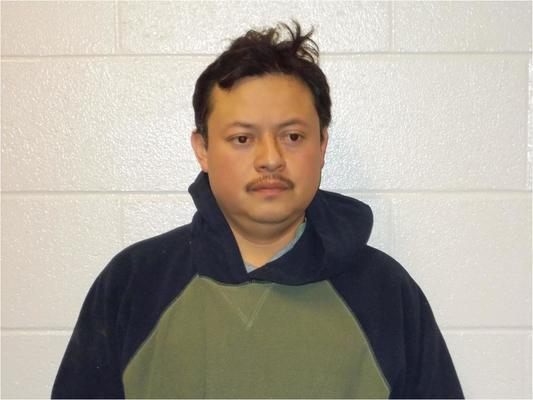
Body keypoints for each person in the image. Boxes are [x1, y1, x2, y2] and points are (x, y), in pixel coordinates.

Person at [52, 21, 463, 399]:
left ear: (322, 145)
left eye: (293, 136)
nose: (270, 159)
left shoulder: (386, 293)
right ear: (202, 149)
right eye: (242, 139)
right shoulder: (134, 284)